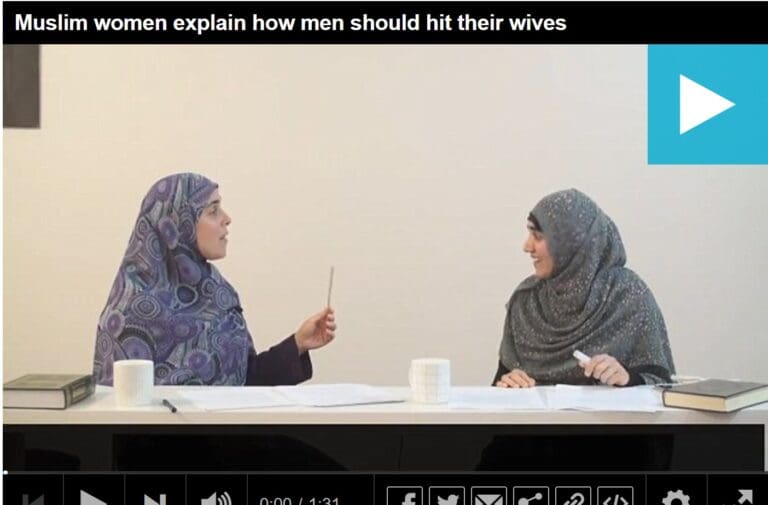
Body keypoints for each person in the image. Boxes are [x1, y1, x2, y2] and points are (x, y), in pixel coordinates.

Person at [93, 173, 336, 386]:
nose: (226, 218)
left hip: (233, 426)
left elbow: (245, 381)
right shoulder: (129, 314)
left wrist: (298, 343)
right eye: (212, 210)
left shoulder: (218, 296)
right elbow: (116, 409)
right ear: (176, 224)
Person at [493, 188, 675, 388]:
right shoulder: (526, 301)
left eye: (537, 236)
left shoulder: (627, 295)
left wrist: (627, 378)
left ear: (571, 241)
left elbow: (661, 384)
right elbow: (501, 380)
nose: (527, 246)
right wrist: (509, 382)